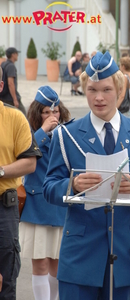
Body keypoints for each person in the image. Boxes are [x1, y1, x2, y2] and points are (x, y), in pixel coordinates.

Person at [42, 51, 130, 300]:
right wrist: (72, 185)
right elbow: (49, 187)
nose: (98, 98)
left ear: (119, 89)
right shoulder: (66, 135)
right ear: (83, 90)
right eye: (92, 90)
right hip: (79, 257)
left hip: (126, 255)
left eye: (106, 89)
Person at [19, 86, 71, 300]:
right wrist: (42, 132)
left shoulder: (67, 132)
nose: (52, 116)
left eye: (56, 111)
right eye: (46, 112)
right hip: (36, 205)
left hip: (59, 203)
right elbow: (25, 153)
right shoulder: (29, 131)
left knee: (58, 263)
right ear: (37, 113)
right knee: (40, 263)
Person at [0, 66, 42, 299]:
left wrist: (0, 171)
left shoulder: (15, 117)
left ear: (1, 87)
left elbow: (29, 163)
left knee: (6, 279)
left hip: (3, 208)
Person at [0, 47, 26, 115]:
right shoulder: (11, 66)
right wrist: (15, 99)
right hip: (10, 98)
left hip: (3, 96)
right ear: (13, 55)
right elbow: (10, 83)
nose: (17, 55)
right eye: (17, 54)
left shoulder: (3, 64)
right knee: (23, 115)